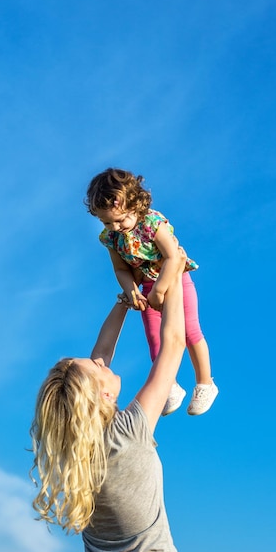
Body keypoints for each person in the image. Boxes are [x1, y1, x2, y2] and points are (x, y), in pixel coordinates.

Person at [30, 248, 188, 552]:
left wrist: (124, 301)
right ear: (101, 397)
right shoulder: (126, 433)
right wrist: (172, 274)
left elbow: (100, 354)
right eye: (96, 367)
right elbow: (173, 346)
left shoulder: (75, 449)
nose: (101, 362)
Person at [85, 167, 218, 416]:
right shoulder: (111, 238)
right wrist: (131, 290)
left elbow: (172, 257)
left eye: (120, 219)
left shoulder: (152, 223)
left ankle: (205, 383)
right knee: (155, 338)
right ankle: (171, 387)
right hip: (146, 287)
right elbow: (120, 269)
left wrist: (160, 290)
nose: (115, 226)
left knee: (190, 331)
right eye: (106, 222)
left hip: (175, 279)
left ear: (134, 205)